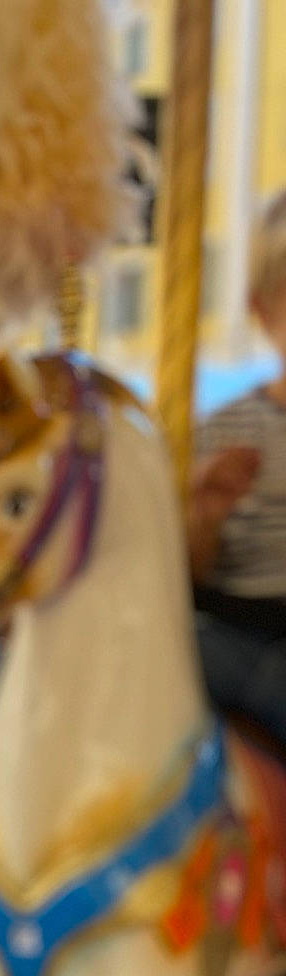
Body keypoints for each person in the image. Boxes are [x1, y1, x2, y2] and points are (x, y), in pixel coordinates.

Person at [188, 189, 286, 762]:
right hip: (236, 633)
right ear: (264, 313)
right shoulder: (222, 432)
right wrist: (204, 513)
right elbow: (191, 577)